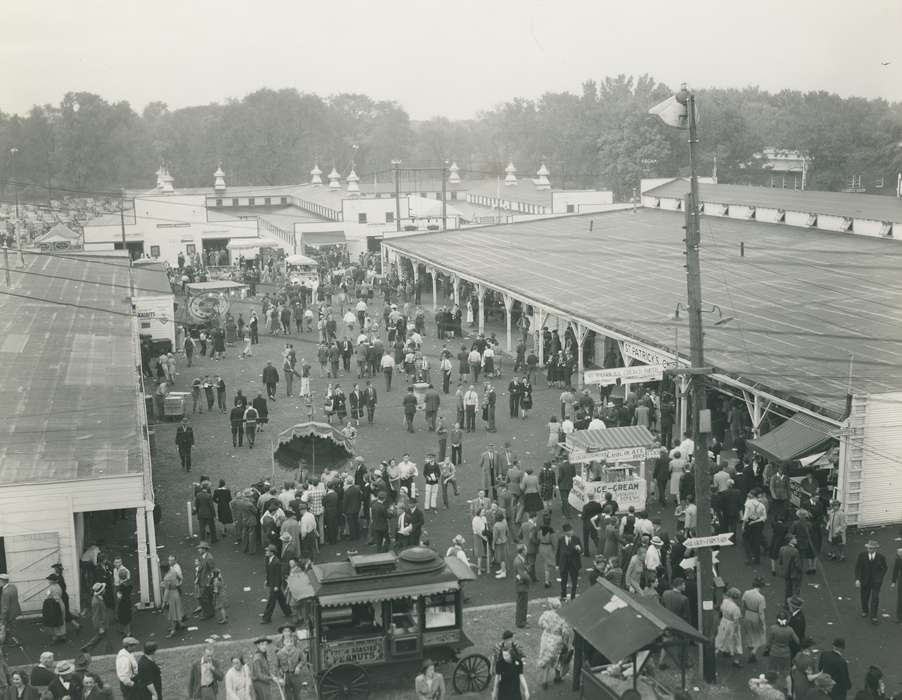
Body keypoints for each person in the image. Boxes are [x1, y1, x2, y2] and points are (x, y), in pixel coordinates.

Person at [536, 597, 572, 689]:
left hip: (546, 638)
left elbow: (540, 623)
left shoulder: (546, 614)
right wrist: (566, 643)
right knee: (558, 659)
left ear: (551, 606)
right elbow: (565, 632)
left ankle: (544, 681)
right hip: (557, 640)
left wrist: (546, 628)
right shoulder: (562, 617)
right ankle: (557, 677)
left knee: (547, 658)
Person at [854, 539, 888, 624]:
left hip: (876, 582)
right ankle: (865, 610)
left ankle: (874, 616)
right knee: (864, 597)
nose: (870, 550)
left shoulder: (881, 557)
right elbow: (858, 567)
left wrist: (880, 577)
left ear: (876, 549)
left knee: (875, 598)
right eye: (869, 548)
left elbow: (884, 568)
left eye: (872, 548)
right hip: (865, 580)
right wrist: (857, 579)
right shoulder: (862, 555)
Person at [492, 631, 528, 700]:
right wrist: (491, 668)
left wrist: (521, 660)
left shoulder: (515, 645)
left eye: (512, 639)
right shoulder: (498, 647)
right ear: (506, 640)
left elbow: (522, 655)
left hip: (513, 668)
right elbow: (493, 658)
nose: (512, 641)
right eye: (510, 639)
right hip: (501, 669)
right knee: (499, 681)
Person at [261, 545, 291, 624]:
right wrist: (267, 580)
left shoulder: (276, 562)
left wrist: (276, 586)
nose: (266, 552)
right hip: (272, 582)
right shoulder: (267, 559)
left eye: (267, 551)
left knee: (271, 601)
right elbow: (268, 572)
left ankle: (266, 618)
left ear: (272, 552)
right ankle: (288, 611)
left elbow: (278, 575)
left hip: (275, 584)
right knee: (281, 598)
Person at [715, 588, 744, 667]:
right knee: (736, 642)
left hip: (723, 621)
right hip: (731, 624)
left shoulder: (724, 602)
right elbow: (736, 620)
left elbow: (720, 610)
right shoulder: (735, 608)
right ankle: (736, 661)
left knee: (720, 638)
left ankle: (715, 654)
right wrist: (736, 630)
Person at [741, 577, 768, 663]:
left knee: (749, 634)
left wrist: (743, 614)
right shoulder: (761, 598)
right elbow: (761, 612)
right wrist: (763, 622)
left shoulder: (746, 593)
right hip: (756, 616)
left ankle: (751, 650)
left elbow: (743, 605)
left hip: (747, 614)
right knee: (759, 635)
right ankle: (754, 651)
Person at [556, 523, 581, 601]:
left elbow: (581, 550)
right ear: (565, 532)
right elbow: (558, 552)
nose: (572, 532)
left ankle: (573, 597)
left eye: (572, 530)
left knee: (574, 581)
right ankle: (563, 596)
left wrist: (579, 549)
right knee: (564, 580)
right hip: (564, 564)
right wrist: (557, 564)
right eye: (570, 531)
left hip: (574, 564)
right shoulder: (561, 540)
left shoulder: (576, 539)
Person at [513, 544, 530, 628]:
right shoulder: (519, 561)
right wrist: (528, 577)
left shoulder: (519, 559)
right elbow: (523, 575)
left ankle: (521, 621)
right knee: (522, 605)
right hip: (522, 586)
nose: (527, 551)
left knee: (522, 604)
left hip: (521, 585)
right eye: (525, 550)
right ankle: (521, 622)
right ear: (522, 551)